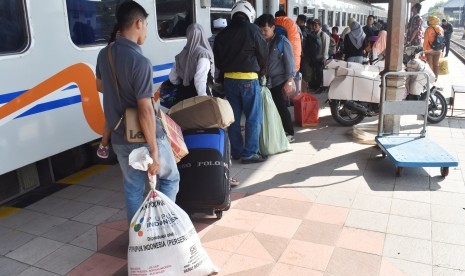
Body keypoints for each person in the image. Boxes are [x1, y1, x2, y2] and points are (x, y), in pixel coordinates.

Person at [95, 1, 180, 222]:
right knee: (170, 179)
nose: (147, 31)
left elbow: (100, 86)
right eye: (147, 25)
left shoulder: (105, 54)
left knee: (133, 188)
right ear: (138, 23)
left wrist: (120, 89)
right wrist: (153, 149)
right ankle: (163, 229)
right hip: (143, 136)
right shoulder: (140, 61)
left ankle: (138, 237)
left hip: (119, 136)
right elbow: (144, 110)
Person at [213, 0, 268, 164]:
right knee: (253, 117)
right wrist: (261, 73)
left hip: (229, 81)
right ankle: (250, 153)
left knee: (233, 118)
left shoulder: (222, 33)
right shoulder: (253, 30)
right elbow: (263, 55)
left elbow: (218, 60)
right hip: (249, 80)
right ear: (249, 14)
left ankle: (236, 151)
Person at [255, 14, 296, 143]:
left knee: (280, 107)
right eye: (260, 30)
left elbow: (289, 61)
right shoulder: (261, 41)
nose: (262, 33)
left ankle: (289, 132)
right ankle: (274, 131)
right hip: (265, 82)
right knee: (268, 108)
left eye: (265, 30)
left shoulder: (282, 41)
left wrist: (289, 80)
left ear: (273, 27)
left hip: (279, 81)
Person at [168, 23, 215, 101]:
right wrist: (204, 98)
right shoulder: (203, 54)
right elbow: (200, 79)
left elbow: (173, 78)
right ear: (202, 35)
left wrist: (183, 84)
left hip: (182, 96)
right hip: (198, 97)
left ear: (188, 36)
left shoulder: (181, 54)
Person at [97, 25, 121, 159]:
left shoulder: (103, 53)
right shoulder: (129, 53)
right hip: (126, 99)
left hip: (111, 100)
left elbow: (99, 86)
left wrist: (111, 93)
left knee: (109, 120)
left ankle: (104, 146)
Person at [311, 18, 330, 91]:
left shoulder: (323, 35)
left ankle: (321, 87)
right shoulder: (313, 34)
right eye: (313, 25)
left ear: (319, 26)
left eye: (316, 25)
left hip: (321, 58)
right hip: (315, 57)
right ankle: (317, 86)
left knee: (320, 73)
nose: (314, 27)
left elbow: (325, 46)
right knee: (316, 73)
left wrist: (324, 58)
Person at [424, 15, 444, 80]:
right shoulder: (441, 29)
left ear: (430, 22)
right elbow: (442, 39)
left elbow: (426, 40)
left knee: (429, 64)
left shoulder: (428, 29)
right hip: (438, 50)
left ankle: (430, 78)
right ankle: (436, 78)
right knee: (436, 64)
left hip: (429, 50)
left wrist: (423, 49)